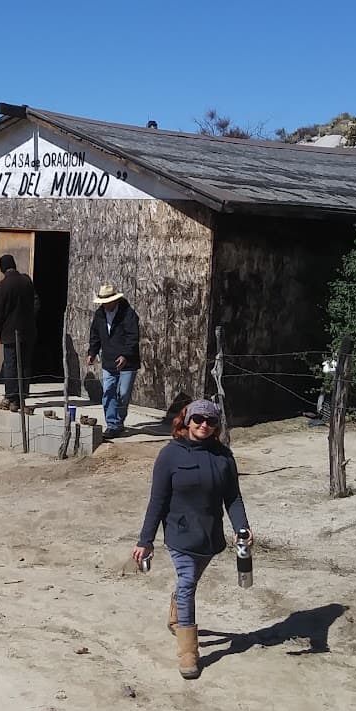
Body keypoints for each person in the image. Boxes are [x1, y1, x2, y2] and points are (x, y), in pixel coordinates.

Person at [131, 400, 251, 680]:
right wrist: (145, 540)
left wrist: (241, 527)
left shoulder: (223, 456)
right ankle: (188, 651)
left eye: (210, 421)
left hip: (209, 534)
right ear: (186, 420)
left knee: (190, 582)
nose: (204, 425)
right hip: (180, 532)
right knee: (187, 582)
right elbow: (157, 501)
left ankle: (176, 611)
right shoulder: (169, 455)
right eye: (198, 419)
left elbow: (233, 497)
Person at [87, 283, 141, 439]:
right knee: (108, 391)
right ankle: (112, 424)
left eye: (107, 302)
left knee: (123, 394)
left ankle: (119, 420)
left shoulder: (128, 314)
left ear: (115, 300)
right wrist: (92, 352)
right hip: (109, 360)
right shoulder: (100, 315)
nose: (105, 305)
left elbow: (133, 336)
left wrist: (125, 355)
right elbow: (95, 334)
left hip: (128, 362)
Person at [0, 253, 37, 409]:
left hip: (10, 333)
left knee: (11, 364)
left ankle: (11, 396)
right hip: (28, 331)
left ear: (2, 268)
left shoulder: (3, 286)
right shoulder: (27, 281)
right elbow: (36, 302)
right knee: (25, 364)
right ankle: (22, 395)